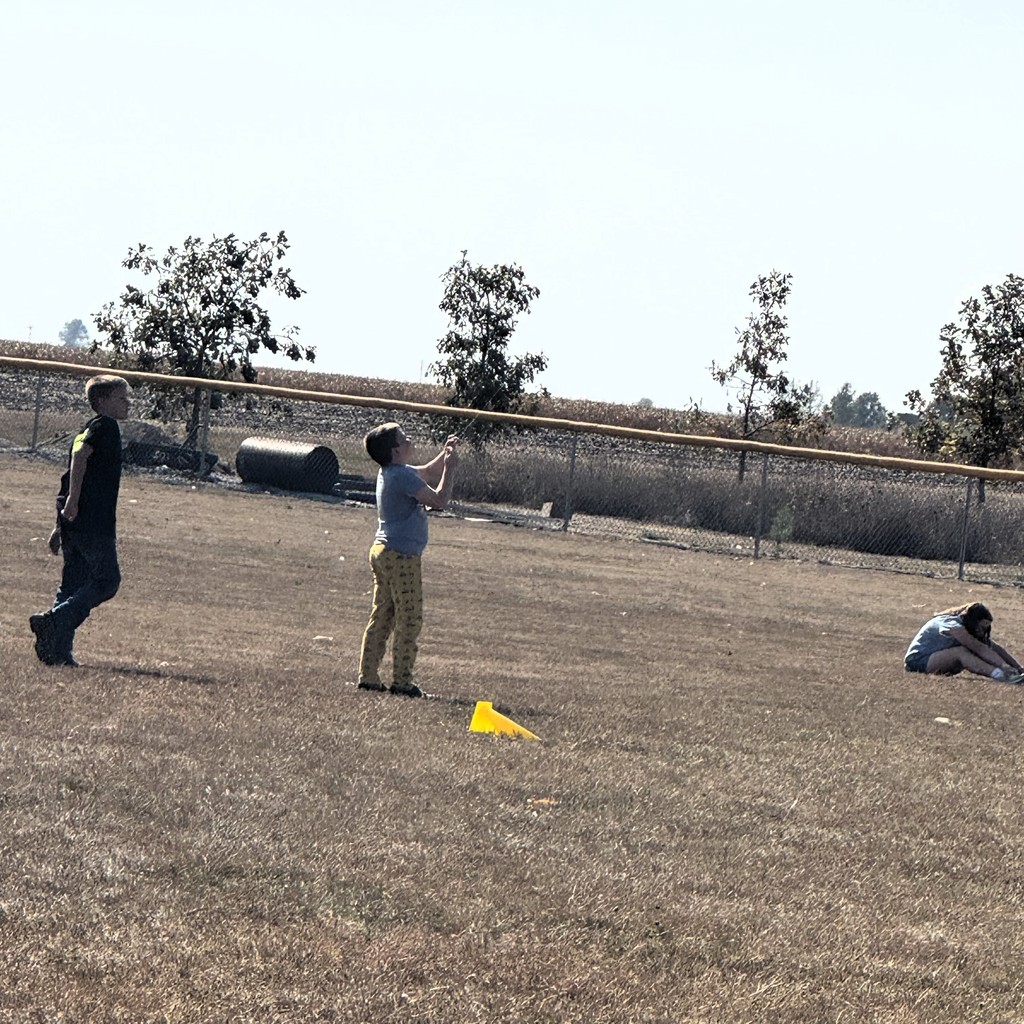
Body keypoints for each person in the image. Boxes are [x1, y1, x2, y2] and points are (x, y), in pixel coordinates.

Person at [30, 375, 131, 667]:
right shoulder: (105, 426)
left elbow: (76, 461)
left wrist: (61, 524)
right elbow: (80, 457)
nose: (128, 404)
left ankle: (57, 652)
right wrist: (74, 501)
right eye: (121, 398)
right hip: (92, 519)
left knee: (72, 583)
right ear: (102, 402)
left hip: (74, 519)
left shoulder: (89, 427)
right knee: (107, 581)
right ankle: (53, 621)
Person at [357, 423, 459, 697]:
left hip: (382, 551)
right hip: (401, 557)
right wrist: (451, 469)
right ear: (395, 450)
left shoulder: (392, 472)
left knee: (384, 615)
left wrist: (445, 453)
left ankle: (368, 676)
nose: (409, 439)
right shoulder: (401, 476)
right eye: (404, 438)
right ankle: (402, 682)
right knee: (409, 619)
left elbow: (427, 472)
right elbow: (438, 501)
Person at [904, 602, 1024, 683]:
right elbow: (978, 648)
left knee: (982, 647)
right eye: (982, 627)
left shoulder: (966, 627)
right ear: (973, 621)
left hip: (934, 660)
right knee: (961, 652)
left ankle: (1014, 674)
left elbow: (992, 647)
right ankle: (1001, 676)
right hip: (917, 662)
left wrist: (1018, 668)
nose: (984, 631)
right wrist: (1004, 666)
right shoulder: (953, 625)